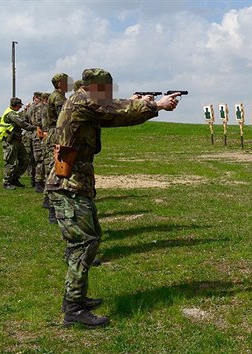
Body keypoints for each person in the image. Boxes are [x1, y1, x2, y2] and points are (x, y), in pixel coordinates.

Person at [46, 68, 180, 328]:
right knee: (83, 244)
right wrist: (156, 105)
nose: (109, 93)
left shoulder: (82, 101)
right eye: (106, 89)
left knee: (90, 237)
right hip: (69, 183)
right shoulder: (82, 100)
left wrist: (136, 102)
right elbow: (116, 112)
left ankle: (76, 300)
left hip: (76, 181)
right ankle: (73, 308)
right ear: (96, 87)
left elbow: (111, 112)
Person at [43, 73, 69, 222]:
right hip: (57, 135)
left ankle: (49, 202)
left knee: (55, 171)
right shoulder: (58, 97)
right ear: (59, 84)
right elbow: (64, 116)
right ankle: (53, 209)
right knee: (56, 172)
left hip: (56, 134)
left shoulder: (58, 96)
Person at [0, 97, 36, 189]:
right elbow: (22, 123)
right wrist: (34, 128)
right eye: (19, 106)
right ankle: (7, 182)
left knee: (25, 159)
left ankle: (15, 178)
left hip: (16, 140)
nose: (20, 108)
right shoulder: (10, 114)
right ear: (15, 105)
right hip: (9, 141)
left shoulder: (13, 113)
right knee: (11, 161)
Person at [23, 92, 42, 187]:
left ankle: (32, 179)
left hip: (28, 134)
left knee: (31, 159)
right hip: (36, 134)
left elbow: (24, 120)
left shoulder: (29, 108)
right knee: (37, 158)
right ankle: (37, 180)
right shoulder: (39, 108)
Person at [32, 93, 49, 192]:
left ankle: (38, 181)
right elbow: (39, 123)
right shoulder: (41, 108)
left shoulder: (35, 107)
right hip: (40, 136)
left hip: (38, 135)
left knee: (40, 160)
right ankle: (39, 182)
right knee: (41, 160)